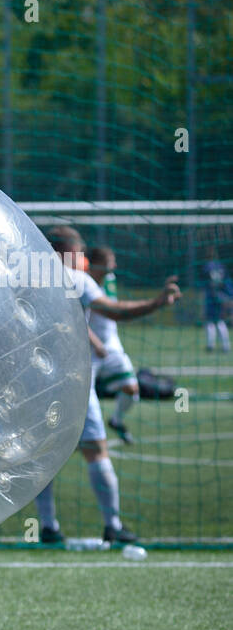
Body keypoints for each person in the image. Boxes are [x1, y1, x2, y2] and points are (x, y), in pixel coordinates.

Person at [34, 227, 181, 547]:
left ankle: (47, 527)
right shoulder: (77, 279)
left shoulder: (22, 277)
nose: (85, 260)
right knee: (96, 449)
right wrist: (158, 302)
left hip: (35, 381)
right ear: (66, 252)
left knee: (42, 458)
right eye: (80, 252)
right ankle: (113, 525)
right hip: (73, 380)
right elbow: (115, 311)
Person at [86, 247, 143, 444]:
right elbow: (75, 319)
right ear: (97, 262)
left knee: (131, 388)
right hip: (88, 350)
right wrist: (95, 342)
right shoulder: (82, 282)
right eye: (111, 261)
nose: (115, 266)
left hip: (112, 346)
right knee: (83, 399)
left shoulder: (109, 280)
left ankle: (116, 420)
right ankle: (80, 437)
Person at [202, 246, 231, 353]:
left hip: (211, 297)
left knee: (210, 321)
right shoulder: (221, 266)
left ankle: (210, 345)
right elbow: (227, 282)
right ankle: (226, 345)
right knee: (220, 321)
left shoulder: (206, 267)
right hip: (221, 296)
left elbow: (204, 282)